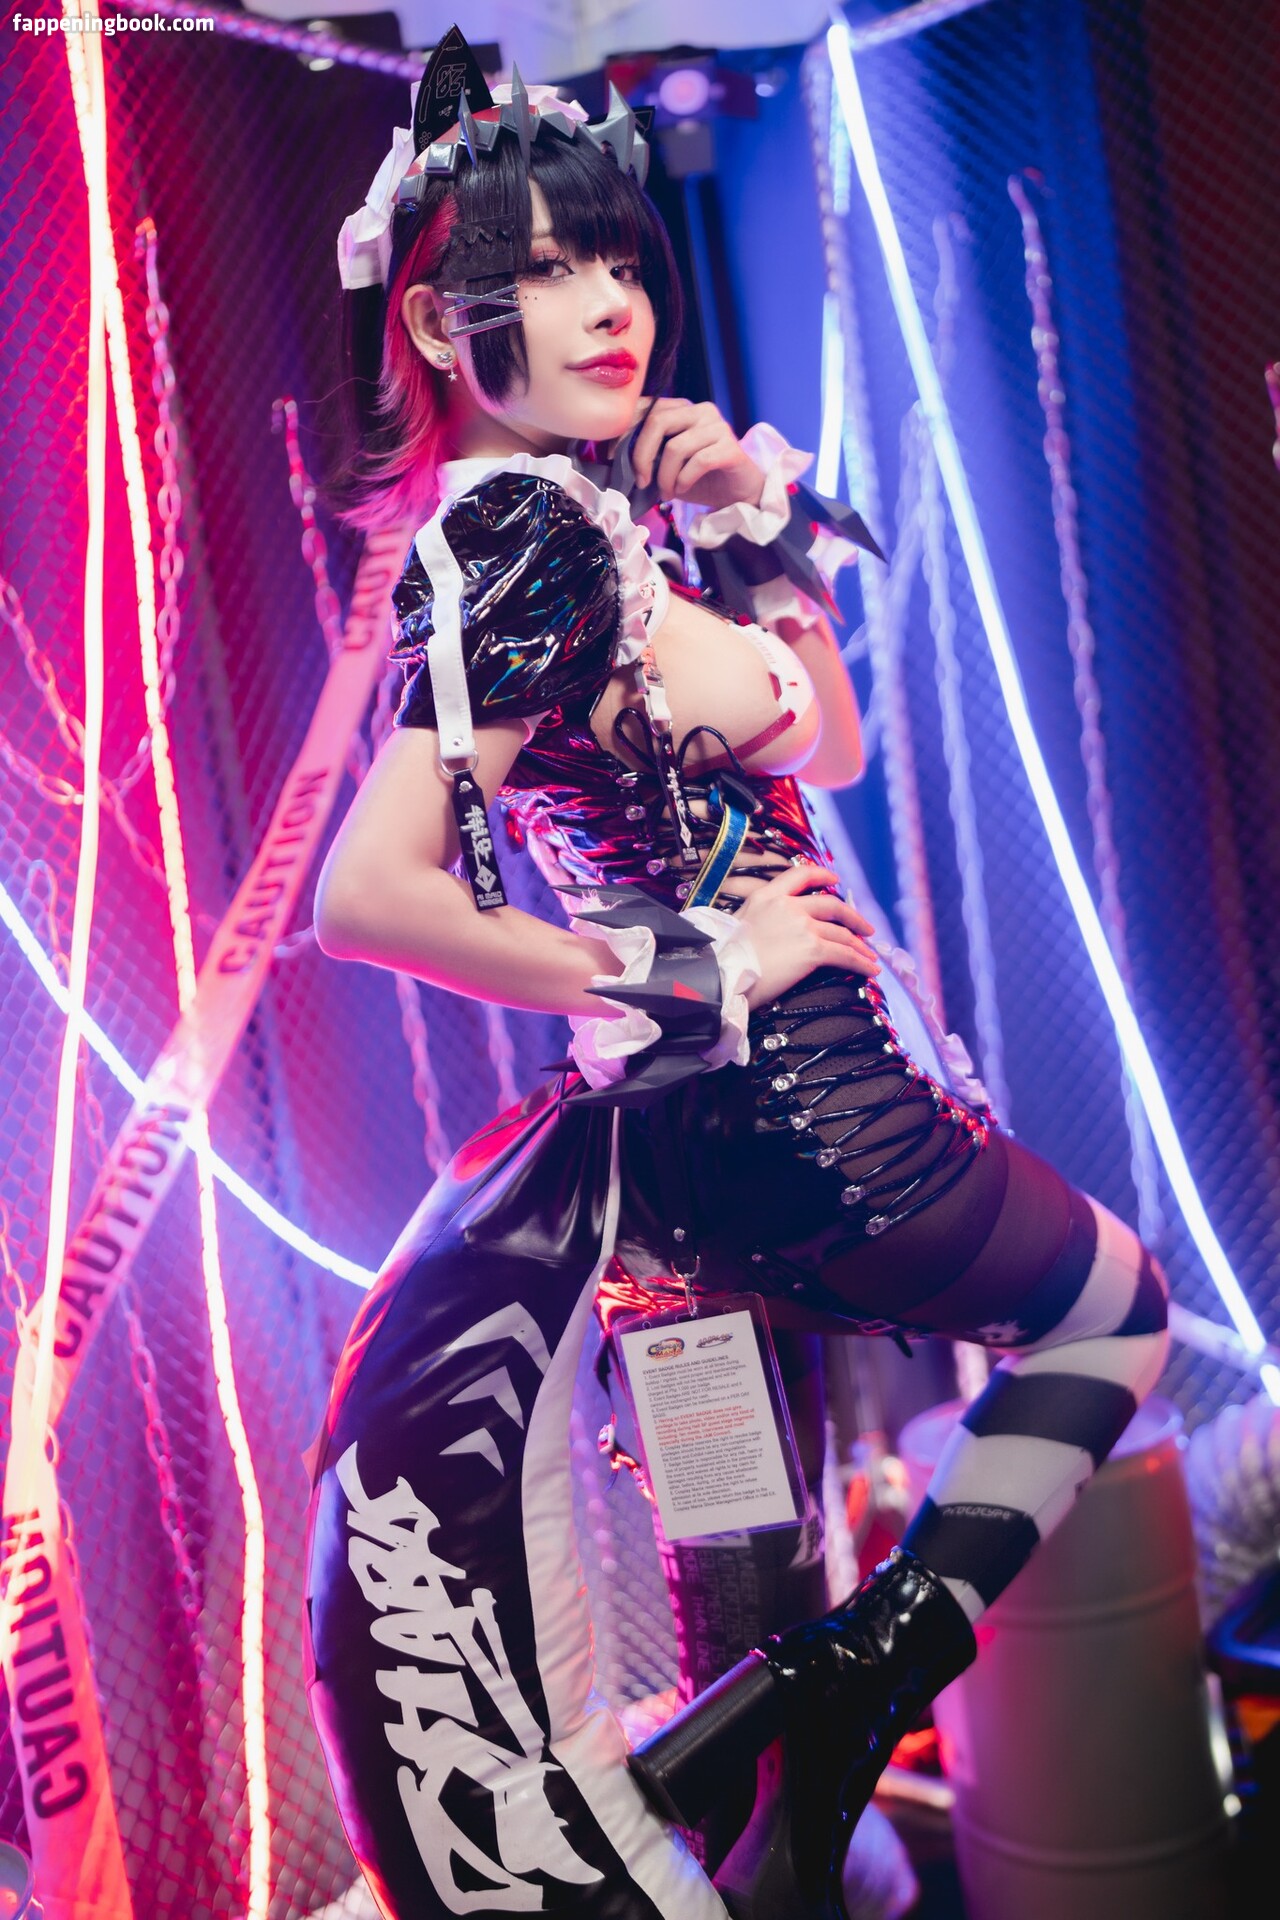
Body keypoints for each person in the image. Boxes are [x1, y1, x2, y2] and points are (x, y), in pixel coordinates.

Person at [304, 30, 1170, 1920]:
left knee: (742, 1578)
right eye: (543, 272)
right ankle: (864, 1676)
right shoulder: (527, 535)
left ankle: (785, 1780)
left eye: (615, 258)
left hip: (687, 1185)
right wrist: (696, 958)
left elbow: (827, 741)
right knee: (1113, 1315)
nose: (608, 301)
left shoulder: (582, 527)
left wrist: (749, 526)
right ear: (445, 324)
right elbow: (364, 898)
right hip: (805, 1125)